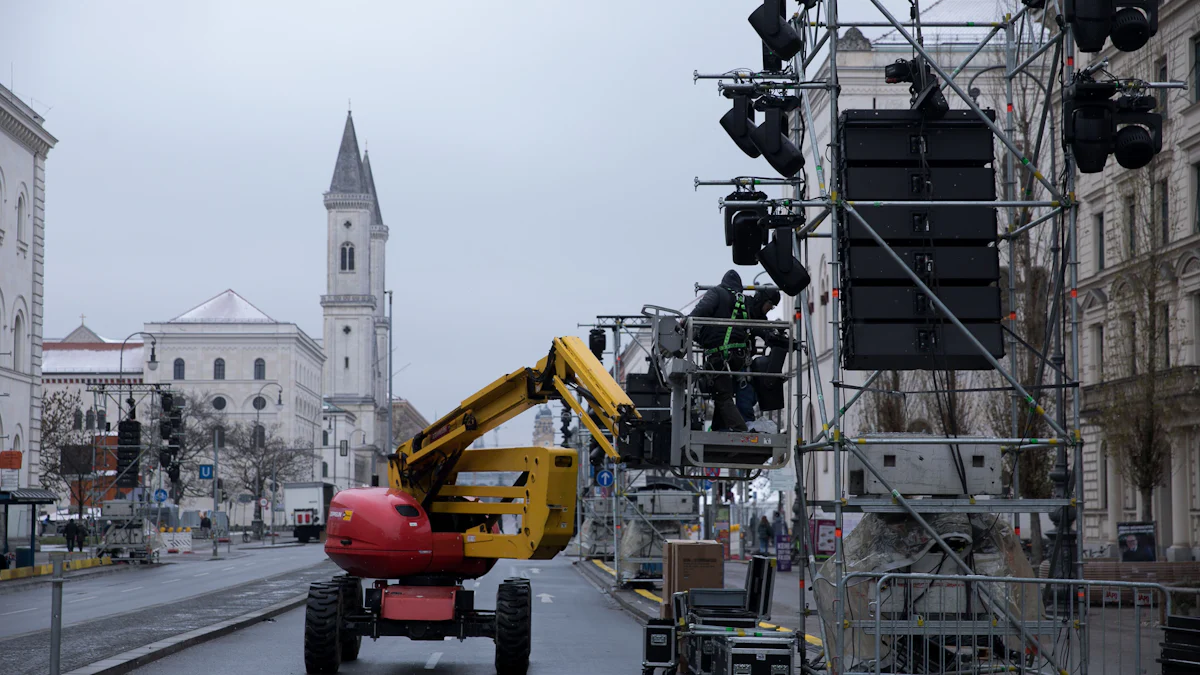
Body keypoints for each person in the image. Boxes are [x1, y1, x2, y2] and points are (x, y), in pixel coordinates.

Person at [690, 270, 751, 432]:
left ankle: (740, 431)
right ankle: (718, 429)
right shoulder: (743, 300)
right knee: (722, 393)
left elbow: (702, 309)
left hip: (720, 354)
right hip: (738, 357)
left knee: (722, 395)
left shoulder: (717, 292)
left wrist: (685, 322)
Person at [735, 289, 781, 423]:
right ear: (762, 300)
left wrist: (775, 336)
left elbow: (764, 332)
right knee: (745, 394)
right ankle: (747, 423)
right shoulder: (744, 308)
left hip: (743, 358)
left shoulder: (760, 316)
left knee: (750, 394)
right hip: (734, 357)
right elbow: (747, 327)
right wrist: (763, 331)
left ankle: (743, 422)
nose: (770, 309)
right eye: (770, 304)